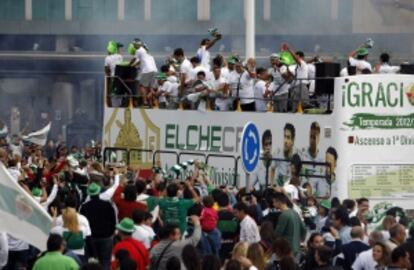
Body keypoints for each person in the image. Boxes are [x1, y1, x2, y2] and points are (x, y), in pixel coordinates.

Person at [79, 183, 116, 270]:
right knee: (106, 262)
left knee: (90, 263)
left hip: (91, 238)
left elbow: (83, 224)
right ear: (99, 193)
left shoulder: (84, 207)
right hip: (106, 237)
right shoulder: (107, 205)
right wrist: (110, 233)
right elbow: (113, 221)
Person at [301, 122, 328, 198]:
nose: (313, 141)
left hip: (317, 199)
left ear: (319, 138)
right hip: (304, 197)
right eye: (311, 137)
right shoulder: (302, 155)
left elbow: (323, 182)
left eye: (315, 137)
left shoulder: (323, 159)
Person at [129, 38, 158, 107]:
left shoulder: (138, 50)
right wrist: (134, 65)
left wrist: (129, 65)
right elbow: (139, 61)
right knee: (150, 87)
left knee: (142, 86)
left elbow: (134, 59)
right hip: (155, 71)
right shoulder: (149, 55)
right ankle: (151, 102)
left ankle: (145, 102)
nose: (134, 46)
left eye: (134, 45)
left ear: (136, 44)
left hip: (147, 70)